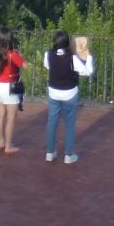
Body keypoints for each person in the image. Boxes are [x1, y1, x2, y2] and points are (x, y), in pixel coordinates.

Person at [43, 30, 79, 163]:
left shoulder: (48, 54)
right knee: (69, 124)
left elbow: (48, 66)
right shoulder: (72, 57)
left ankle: (50, 152)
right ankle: (69, 155)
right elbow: (83, 70)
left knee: (52, 123)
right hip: (69, 92)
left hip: (54, 91)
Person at [0, 31, 24, 154]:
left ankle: (1, 141)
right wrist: (21, 57)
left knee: (0, 115)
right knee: (11, 117)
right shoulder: (12, 54)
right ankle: (8, 146)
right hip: (9, 86)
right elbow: (24, 65)